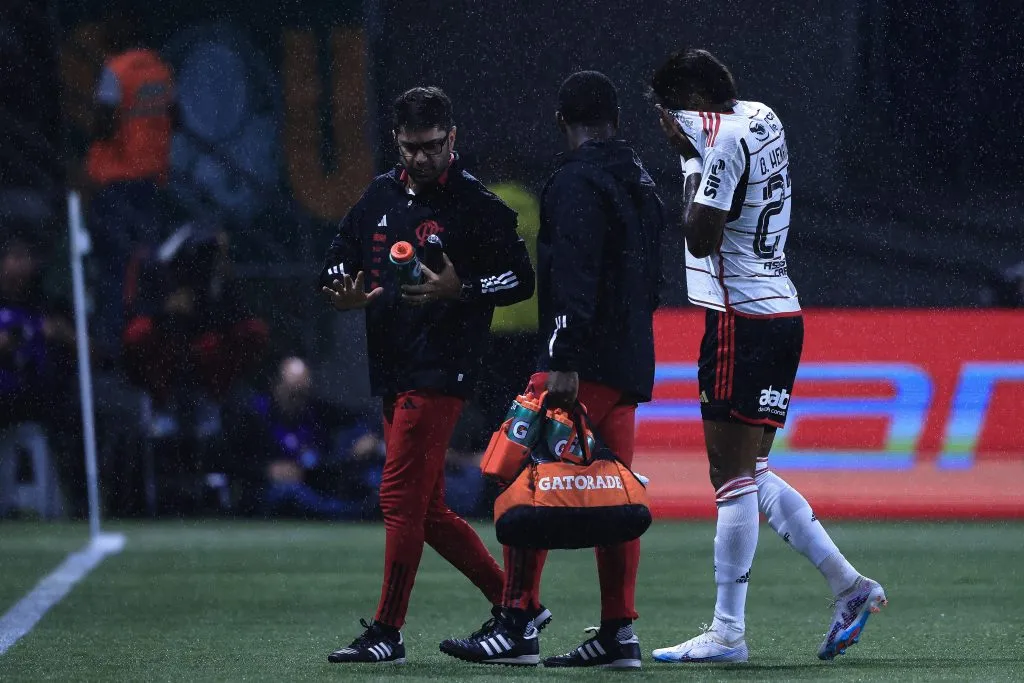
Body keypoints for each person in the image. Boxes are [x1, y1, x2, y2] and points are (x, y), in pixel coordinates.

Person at [646, 48, 887, 664]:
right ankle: (849, 585)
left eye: (665, 116)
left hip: (739, 319)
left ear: (687, 107)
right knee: (749, 473)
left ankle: (728, 632)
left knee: (729, 478)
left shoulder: (718, 142)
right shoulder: (762, 116)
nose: (664, 128)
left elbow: (699, 235)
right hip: (782, 313)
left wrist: (689, 166)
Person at [439, 71, 665, 669]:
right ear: (616, 119)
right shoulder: (643, 180)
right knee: (614, 496)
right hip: (629, 359)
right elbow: (654, 279)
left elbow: (572, 274)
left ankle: (517, 621)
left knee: (516, 474)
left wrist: (561, 358)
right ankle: (618, 632)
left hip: (578, 359)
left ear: (563, 122)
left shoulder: (573, 181)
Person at [319, 86, 544, 665]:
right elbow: (340, 252)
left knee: (398, 497)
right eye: (409, 147)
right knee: (430, 510)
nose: (419, 158)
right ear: (397, 143)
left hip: (442, 368)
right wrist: (341, 288)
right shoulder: (380, 193)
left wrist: (462, 289)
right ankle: (517, 605)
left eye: (430, 146)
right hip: (394, 365)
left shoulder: (476, 204)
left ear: (452, 140)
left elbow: (521, 280)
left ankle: (387, 632)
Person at [229, 357, 384, 520]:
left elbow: (365, 415)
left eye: (302, 394)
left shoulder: (316, 410)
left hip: (313, 485)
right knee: (288, 492)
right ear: (276, 387)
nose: (298, 401)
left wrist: (371, 437)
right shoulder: (254, 414)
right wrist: (267, 470)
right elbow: (233, 461)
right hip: (270, 489)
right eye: (292, 394)